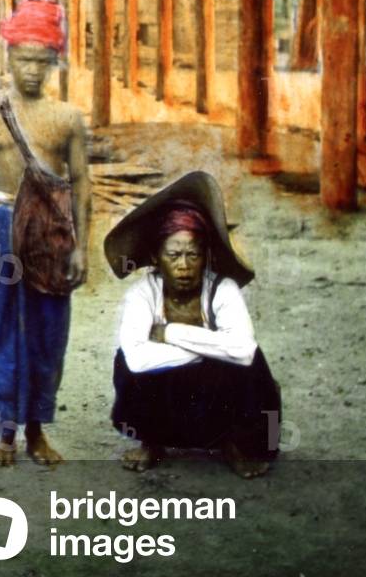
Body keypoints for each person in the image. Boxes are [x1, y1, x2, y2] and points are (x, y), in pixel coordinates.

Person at [0, 0, 90, 466]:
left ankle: (36, 430)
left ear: (55, 62)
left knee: (46, 331)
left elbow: (80, 184)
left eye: (42, 60)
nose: (32, 70)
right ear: (7, 57)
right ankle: (4, 433)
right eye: (24, 58)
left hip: (50, 237)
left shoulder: (68, 119)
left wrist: (81, 247)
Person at [104, 171, 281, 479]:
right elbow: (137, 357)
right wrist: (211, 348)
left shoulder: (222, 290)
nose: (183, 265)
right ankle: (152, 441)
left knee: (253, 364)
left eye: (193, 255)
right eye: (173, 255)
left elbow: (242, 350)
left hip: (215, 400)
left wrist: (170, 333)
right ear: (157, 258)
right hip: (168, 399)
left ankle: (232, 444)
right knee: (125, 363)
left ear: (206, 257)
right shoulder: (143, 294)